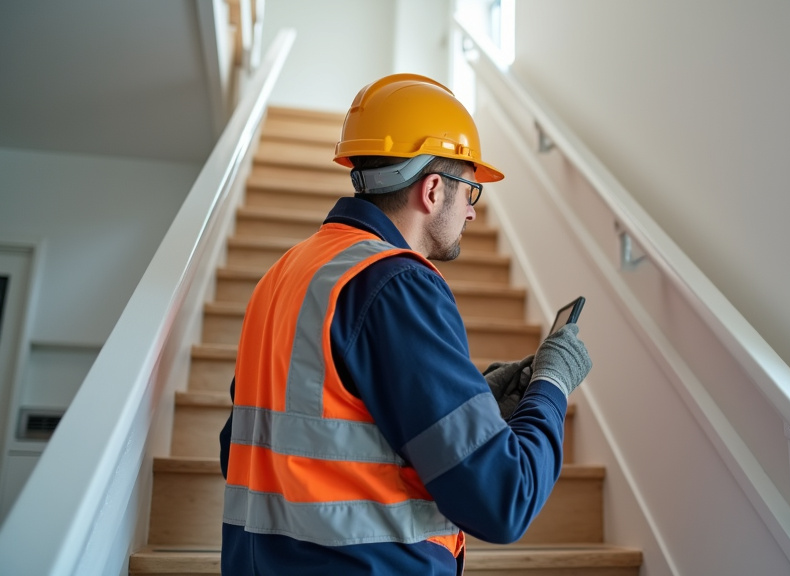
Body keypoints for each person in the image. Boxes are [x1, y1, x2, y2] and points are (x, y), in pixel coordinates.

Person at [218, 73, 592, 576]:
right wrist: (552, 384)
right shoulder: (395, 284)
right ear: (434, 189)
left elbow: (261, 447)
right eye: (471, 191)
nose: (473, 213)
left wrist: (458, 411)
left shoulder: (285, 274)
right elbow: (506, 499)